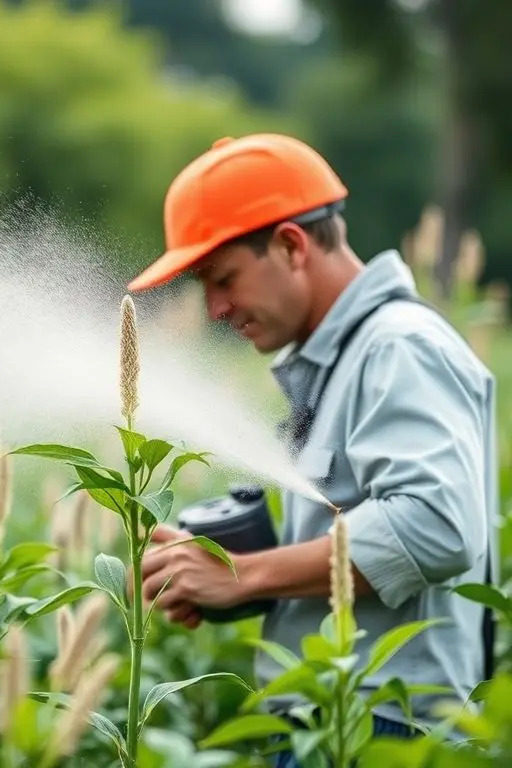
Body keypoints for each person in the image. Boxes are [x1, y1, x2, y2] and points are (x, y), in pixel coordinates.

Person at [127, 134, 498, 764]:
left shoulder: (396, 347)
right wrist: (243, 578)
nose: (215, 309)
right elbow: (371, 536)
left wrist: (240, 577)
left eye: (224, 280)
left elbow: (437, 528)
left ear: (291, 246)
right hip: (339, 721)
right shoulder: (349, 357)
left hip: (384, 730)